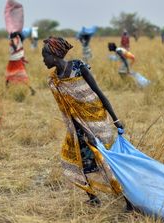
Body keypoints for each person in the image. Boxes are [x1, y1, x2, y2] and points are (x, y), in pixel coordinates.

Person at [41, 36, 133, 209]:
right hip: (76, 125)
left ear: (53, 55)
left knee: (105, 160)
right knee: (81, 160)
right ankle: (92, 197)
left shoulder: (78, 66)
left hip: (95, 120)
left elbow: (98, 92)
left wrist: (116, 119)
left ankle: (128, 201)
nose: (43, 60)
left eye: (44, 56)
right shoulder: (54, 79)